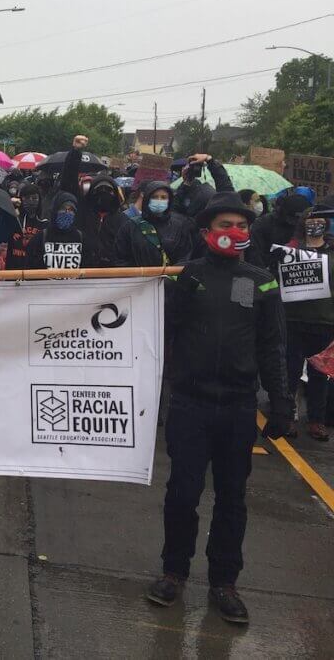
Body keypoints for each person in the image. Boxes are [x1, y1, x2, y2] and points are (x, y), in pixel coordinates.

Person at [146, 192, 292, 624]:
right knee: (182, 494)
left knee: (232, 498)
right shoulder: (186, 276)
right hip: (190, 404)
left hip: (237, 407)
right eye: (226, 225)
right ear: (207, 231)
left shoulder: (262, 282)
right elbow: (158, 333)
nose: (235, 232)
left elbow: (272, 346)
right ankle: (173, 572)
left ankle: (224, 582)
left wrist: (282, 402)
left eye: (242, 225)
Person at [280, 201, 334, 442]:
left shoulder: (332, 251)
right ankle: (287, 417)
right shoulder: (291, 250)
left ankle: (316, 420)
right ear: (303, 223)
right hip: (293, 320)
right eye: (311, 219)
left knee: (319, 375)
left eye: (320, 220)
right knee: (290, 372)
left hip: (324, 321)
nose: (315, 223)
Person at [60, 135, 126, 268]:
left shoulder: (123, 220)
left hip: (114, 274)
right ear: (91, 192)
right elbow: (68, 182)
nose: (103, 193)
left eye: (108, 190)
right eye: (99, 189)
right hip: (84, 270)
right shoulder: (82, 211)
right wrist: (75, 152)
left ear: (115, 194)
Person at [115, 180, 196, 267]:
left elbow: (185, 256)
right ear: (146, 199)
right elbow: (120, 257)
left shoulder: (179, 226)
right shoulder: (130, 226)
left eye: (163, 197)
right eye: (154, 197)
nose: (159, 200)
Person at [249, 189, 311, 271]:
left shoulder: (309, 224)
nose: (296, 223)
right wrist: (272, 260)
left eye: (300, 220)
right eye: (292, 219)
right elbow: (255, 255)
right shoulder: (263, 224)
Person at [25, 192, 83, 270]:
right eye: (63, 208)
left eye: (71, 209)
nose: (67, 212)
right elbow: (30, 266)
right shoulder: (40, 238)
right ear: (55, 210)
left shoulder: (80, 238)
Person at [171, 154, 234, 218]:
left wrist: (186, 183)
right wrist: (209, 160)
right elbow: (227, 194)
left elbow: (174, 210)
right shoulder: (223, 217)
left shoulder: (183, 221)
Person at [5, 183, 48, 269]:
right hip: (13, 270)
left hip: (35, 271)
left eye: (34, 198)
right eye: (26, 198)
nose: (31, 201)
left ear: (39, 200)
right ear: (21, 200)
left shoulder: (44, 224)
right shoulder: (14, 220)